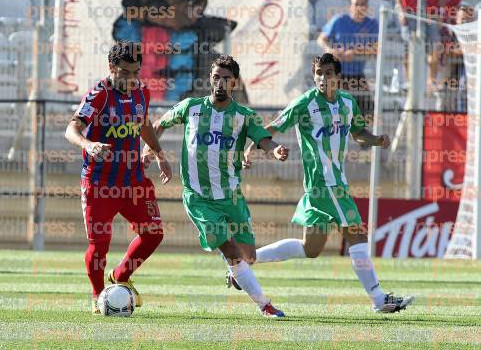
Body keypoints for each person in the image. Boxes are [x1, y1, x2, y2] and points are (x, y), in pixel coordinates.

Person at [242, 53, 414, 313]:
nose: (323, 78)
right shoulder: (305, 103)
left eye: (328, 73)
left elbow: (357, 133)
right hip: (325, 182)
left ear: (338, 76)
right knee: (356, 232)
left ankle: (244, 263)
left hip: (331, 184)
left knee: (310, 249)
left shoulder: (347, 102)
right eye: (319, 73)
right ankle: (379, 299)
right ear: (314, 76)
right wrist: (253, 148)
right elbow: (275, 125)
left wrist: (377, 139)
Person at [144, 55, 289, 318]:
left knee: (249, 256)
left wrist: (275, 149)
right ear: (210, 79)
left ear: (234, 83)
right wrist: (150, 152)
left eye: (226, 79)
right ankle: (265, 305)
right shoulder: (192, 107)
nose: (220, 83)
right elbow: (158, 125)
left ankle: (236, 273)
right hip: (198, 197)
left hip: (231, 196)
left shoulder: (245, 117)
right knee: (230, 249)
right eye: (215, 77)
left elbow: (263, 140)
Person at [64, 40, 172, 314]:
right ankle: (98, 296)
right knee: (100, 245)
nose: (131, 79)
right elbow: (72, 128)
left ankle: (120, 277)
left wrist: (158, 152)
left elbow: (143, 123)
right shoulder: (98, 95)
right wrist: (89, 145)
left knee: (153, 234)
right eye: (125, 73)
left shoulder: (141, 92)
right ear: (111, 67)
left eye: (136, 72)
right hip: (100, 183)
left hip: (133, 180)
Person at [317, 0, 378, 115]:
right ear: (350, 7)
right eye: (356, 4)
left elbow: (376, 49)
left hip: (357, 76)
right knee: (331, 113)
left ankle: (360, 134)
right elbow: (321, 39)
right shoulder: (338, 20)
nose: (359, 7)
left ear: (367, 7)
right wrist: (330, 50)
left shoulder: (373, 24)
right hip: (336, 75)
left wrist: (355, 53)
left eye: (363, 4)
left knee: (367, 114)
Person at [395, 0, 445, 87]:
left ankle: (431, 82)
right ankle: (408, 82)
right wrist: (401, 11)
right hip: (410, 15)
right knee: (409, 48)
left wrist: (440, 14)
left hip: (430, 17)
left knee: (434, 49)